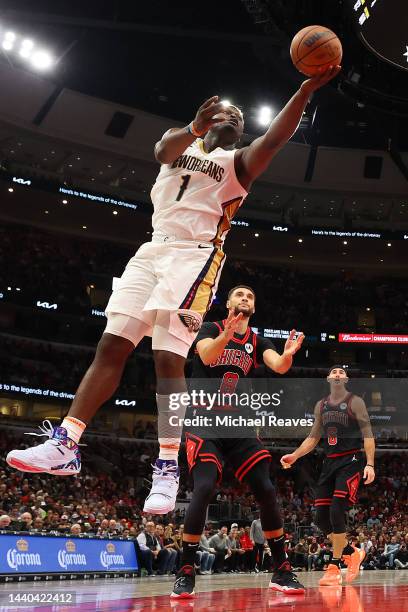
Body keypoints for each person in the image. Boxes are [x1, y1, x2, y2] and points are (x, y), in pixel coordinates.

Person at [6, 64, 340, 516]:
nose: (231, 120)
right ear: (207, 119)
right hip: (152, 249)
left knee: (168, 357)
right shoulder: (180, 143)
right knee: (111, 346)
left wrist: (303, 91)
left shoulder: (238, 163)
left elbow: (276, 138)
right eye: (225, 115)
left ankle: (166, 466)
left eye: (239, 120)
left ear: (242, 135)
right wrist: (194, 127)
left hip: (196, 256)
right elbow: (163, 148)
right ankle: (66, 443)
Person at [171, 285, 305, 598]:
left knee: (267, 489)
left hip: (239, 422)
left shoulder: (258, 341)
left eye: (250, 297)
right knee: (204, 487)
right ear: (228, 303)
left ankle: (281, 570)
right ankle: (186, 569)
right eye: (239, 295)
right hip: (204, 420)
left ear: (253, 308)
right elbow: (206, 354)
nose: (245, 299)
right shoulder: (209, 328)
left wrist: (286, 355)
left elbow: (278, 365)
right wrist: (226, 334)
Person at [280, 365, 376, 586]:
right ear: (328, 378)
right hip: (329, 463)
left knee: (336, 509)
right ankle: (352, 552)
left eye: (341, 372)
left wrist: (369, 464)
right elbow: (313, 438)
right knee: (321, 517)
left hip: (350, 461)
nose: (338, 374)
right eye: (334, 372)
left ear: (346, 379)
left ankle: (334, 566)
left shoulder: (356, 402)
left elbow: (368, 435)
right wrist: (294, 455)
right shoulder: (321, 405)